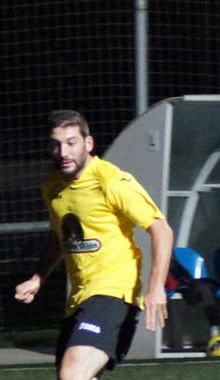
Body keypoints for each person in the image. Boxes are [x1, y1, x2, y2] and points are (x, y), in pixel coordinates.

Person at [14, 110, 174, 380]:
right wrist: (38, 277)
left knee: (72, 375)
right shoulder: (52, 187)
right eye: (56, 144)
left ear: (88, 144)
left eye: (71, 142)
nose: (63, 151)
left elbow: (161, 229)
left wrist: (156, 287)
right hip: (79, 298)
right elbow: (59, 237)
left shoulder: (110, 181)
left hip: (114, 294)